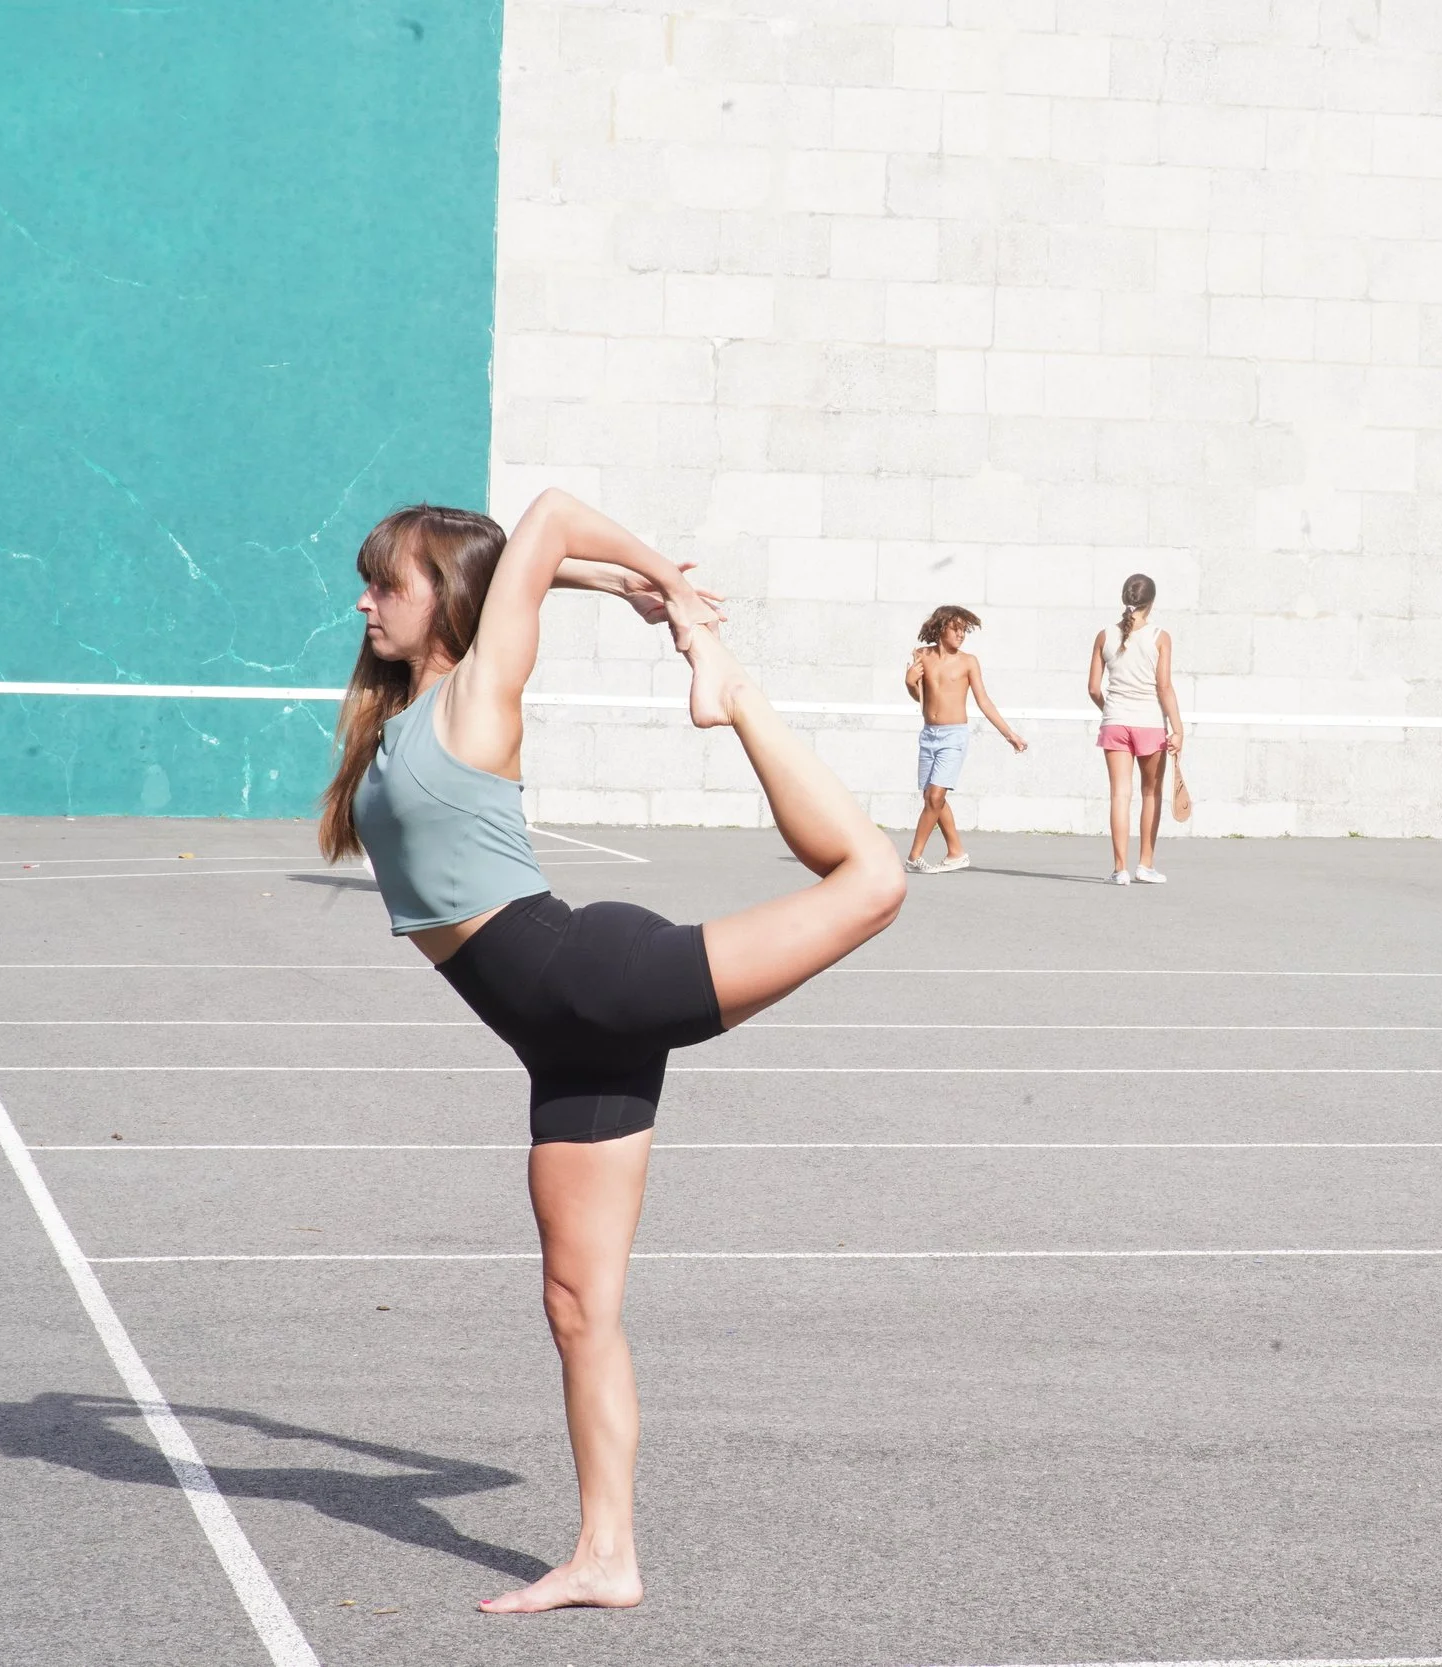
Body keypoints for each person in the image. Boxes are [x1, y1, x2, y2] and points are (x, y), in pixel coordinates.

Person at [319, 494, 904, 1613]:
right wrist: (610, 583)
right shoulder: (411, 712)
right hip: (560, 1042)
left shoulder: (478, 696)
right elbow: (523, 567)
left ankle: (733, 692)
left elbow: (547, 518)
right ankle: (606, 1556)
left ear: (443, 597)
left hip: (595, 977)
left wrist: (671, 593)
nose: (365, 601)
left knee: (873, 882)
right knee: (577, 1304)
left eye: (386, 581)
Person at [902, 604, 1028, 874]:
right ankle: (956, 852)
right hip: (929, 735)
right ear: (940, 628)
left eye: (964, 630)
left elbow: (984, 701)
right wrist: (909, 683)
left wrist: (1009, 734)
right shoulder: (922, 655)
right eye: (956, 628)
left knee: (935, 796)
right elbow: (921, 698)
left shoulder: (968, 661)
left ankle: (914, 856)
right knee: (931, 798)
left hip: (954, 735)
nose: (961, 635)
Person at [1086, 573, 1185, 885]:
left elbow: (1093, 688)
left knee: (1120, 795)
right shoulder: (1160, 636)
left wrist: (1110, 712)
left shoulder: (1104, 635)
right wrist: (1178, 729)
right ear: (1151, 602)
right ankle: (1145, 864)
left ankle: (1120, 870)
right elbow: (1164, 687)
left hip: (1115, 722)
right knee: (1151, 793)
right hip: (1150, 724)